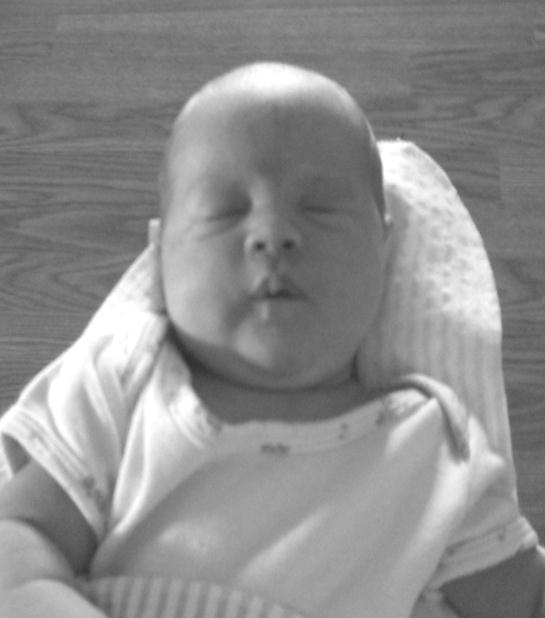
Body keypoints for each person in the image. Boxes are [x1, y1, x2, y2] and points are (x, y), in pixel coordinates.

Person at [0, 62, 543, 618]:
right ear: (161, 255)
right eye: (225, 210)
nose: (273, 234)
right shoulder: (124, 380)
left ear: (383, 249)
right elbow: (22, 537)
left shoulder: (436, 452)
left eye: (320, 207)